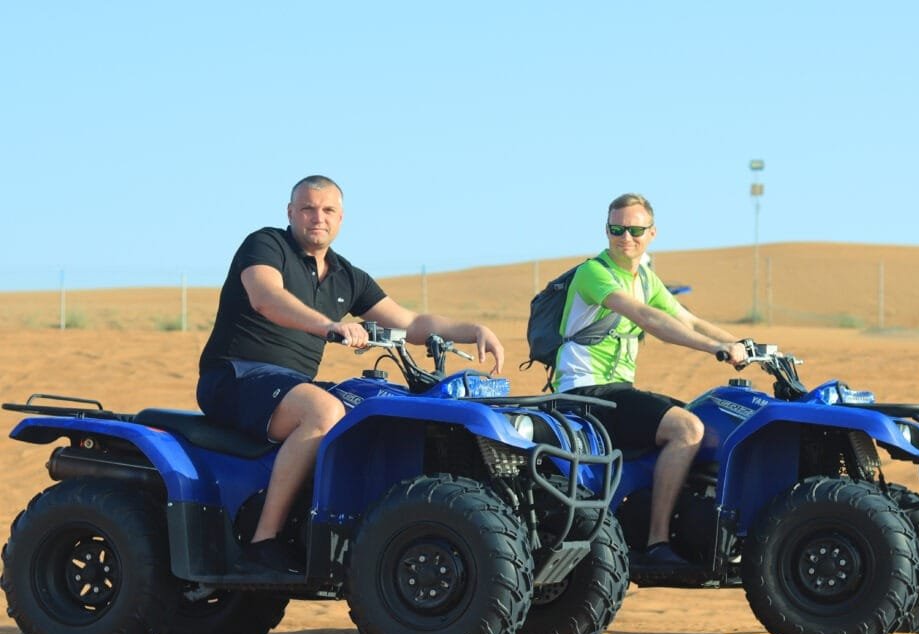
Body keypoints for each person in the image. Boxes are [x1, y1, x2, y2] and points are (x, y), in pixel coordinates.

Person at [197, 175, 504, 573]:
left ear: (340, 218)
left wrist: (472, 329)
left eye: (328, 210)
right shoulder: (266, 244)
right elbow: (266, 298)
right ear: (290, 213)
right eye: (307, 209)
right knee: (323, 411)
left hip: (290, 386)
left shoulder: (346, 276)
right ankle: (263, 541)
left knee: (374, 408)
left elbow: (410, 323)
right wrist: (330, 326)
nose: (317, 218)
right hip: (236, 376)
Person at [552, 193, 747, 572]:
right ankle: (657, 543)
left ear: (652, 233)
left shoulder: (644, 278)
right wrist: (716, 349)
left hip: (617, 391)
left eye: (635, 230)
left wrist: (744, 345)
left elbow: (688, 319)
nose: (625, 237)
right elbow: (649, 318)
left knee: (711, 425)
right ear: (607, 231)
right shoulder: (594, 273)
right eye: (616, 229)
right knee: (687, 428)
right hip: (586, 392)